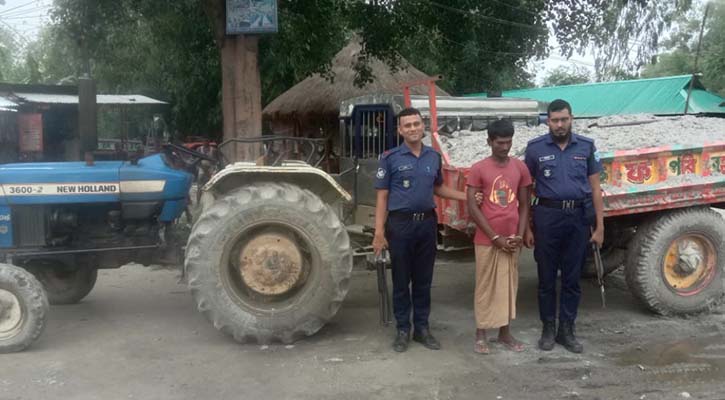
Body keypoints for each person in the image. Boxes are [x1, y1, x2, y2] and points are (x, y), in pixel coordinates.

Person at [373, 107, 466, 353]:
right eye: (408, 125)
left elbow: (439, 189)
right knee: (402, 281)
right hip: (400, 225)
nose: (413, 129)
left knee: (424, 281)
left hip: (426, 224)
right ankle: (403, 330)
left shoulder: (433, 157)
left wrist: (465, 197)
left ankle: (422, 329)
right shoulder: (390, 158)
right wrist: (379, 233)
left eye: (416, 124)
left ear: (422, 126)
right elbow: (382, 197)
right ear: (400, 130)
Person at [523, 99, 604, 354]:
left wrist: (599, 226)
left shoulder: (587, 146)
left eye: (564, 119)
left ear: (571, 119)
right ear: (548, 121)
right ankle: (548, 328)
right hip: (547, 217)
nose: (559, 124)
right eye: (555, 120)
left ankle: (567, 330)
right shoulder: (535, 149)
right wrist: (526, 227)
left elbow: (595, 188)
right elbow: (526, 190)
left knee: (572, 280)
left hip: (578, 219)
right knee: (546, 278)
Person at [466, 119, 531, 354]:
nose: (505, 147)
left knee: (508, 287)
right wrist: (495, 238)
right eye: (500, 143)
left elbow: (524, 205)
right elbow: (473, 207)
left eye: (508, 142)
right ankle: (481, 334)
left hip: (512, 239)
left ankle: (505, 333)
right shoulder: (478, 169)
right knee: (485, 287)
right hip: (487, 240)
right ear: (489, 142)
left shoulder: (520, 168)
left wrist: (520, 235)